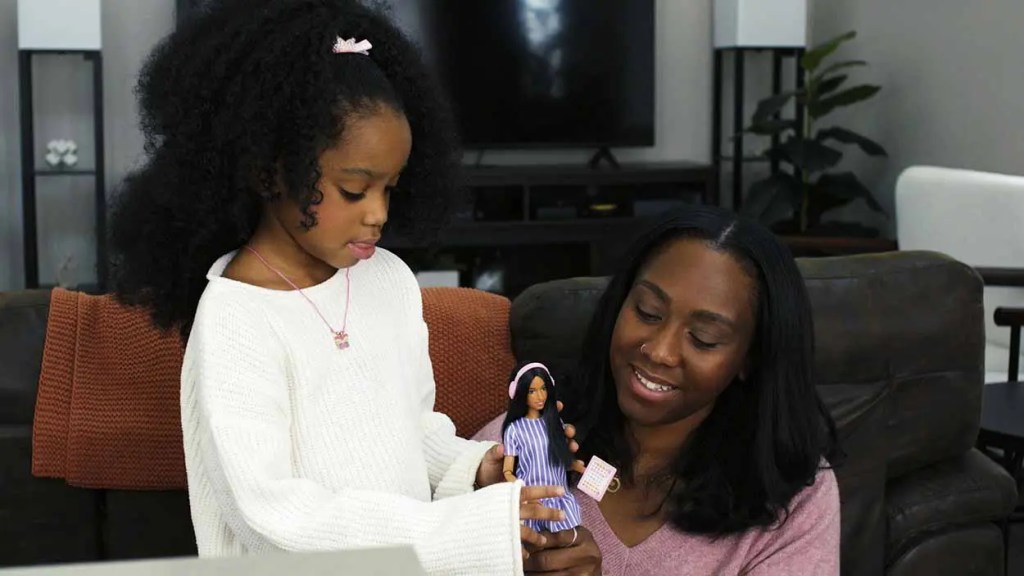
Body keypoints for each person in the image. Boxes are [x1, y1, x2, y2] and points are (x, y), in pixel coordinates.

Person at [107, 1, 566, 574]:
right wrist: (477, 527)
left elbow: (412, 431)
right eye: (354, 190)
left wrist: (479, 469)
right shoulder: (234, 319)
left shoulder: (389, 280)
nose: (378, 215)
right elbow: (277, 521)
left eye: (391, 189)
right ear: (269, 172)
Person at [477, 205, 841, 575]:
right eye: (648, 313)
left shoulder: (793, 495)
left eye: (704, 339)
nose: (660, 352)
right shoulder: (524, 437)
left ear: (750, 358)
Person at [502, 362, 582, 534]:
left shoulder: (554, 423)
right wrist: (522, 493)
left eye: (543, 389)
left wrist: (577, 466)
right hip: (533, 501)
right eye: (532, 391)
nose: (540, 396)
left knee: (568, 538)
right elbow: (508, 471)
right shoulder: (514, 430)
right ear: (520, 393)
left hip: (560, 496)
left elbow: (559, 458)